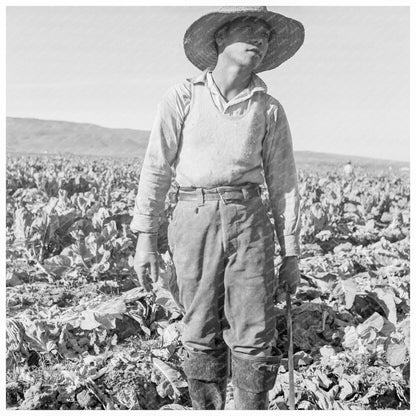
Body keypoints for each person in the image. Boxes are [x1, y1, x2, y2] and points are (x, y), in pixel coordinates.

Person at [130, 6, 304, 410]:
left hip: (249, 217)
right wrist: (145, 239)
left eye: (265, 35)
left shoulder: (269, 108)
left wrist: (291, 253)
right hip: (194, 216)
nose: (259, 40)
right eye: (249, 29)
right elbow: (156, 166)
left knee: (255, 327)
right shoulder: (182, 96)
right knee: (199, 323)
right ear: (220, 39)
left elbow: (284, 184)